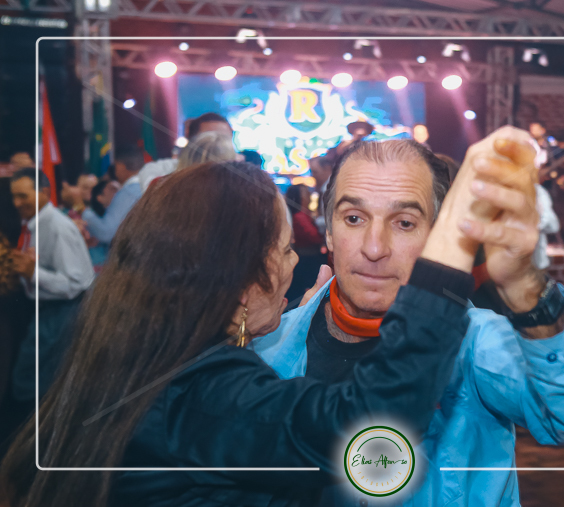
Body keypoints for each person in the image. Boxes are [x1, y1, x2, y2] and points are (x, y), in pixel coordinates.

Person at [0, 159, 501, 507]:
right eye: (286, 250)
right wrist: (451, 248)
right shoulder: (205, 392)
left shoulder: (135, 355)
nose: (294, 266)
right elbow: (373, 428)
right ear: (240, 282)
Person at [251, 129, 564, 506]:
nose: (374, 247)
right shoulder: (269, 346)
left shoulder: (473, 341)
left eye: (404, 223)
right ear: (329, 232)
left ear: (437, 238)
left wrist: (523, 284)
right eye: (354, 218)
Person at [8, 168, 94, 405]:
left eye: (23, 196)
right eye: (14, 196)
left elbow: (75, 283)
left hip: (62, 311)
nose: (17, 203)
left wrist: (33, 273)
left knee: (29, 382)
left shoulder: (57, 227)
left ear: (44, 192)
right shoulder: (36, 223)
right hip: (51, 310)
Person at [137, 113, 235, 192]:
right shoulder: (160, 170)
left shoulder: (239, 175)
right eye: (208, 137)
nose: (217, 143)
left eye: (224, 138)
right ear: (190, 139)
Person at [81, 147, 143, 245]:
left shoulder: (129, 192)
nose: (115, 171)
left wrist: (85, 213)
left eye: (116, 166)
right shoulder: (148, 186)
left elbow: (106, 233)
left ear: (121, 166)